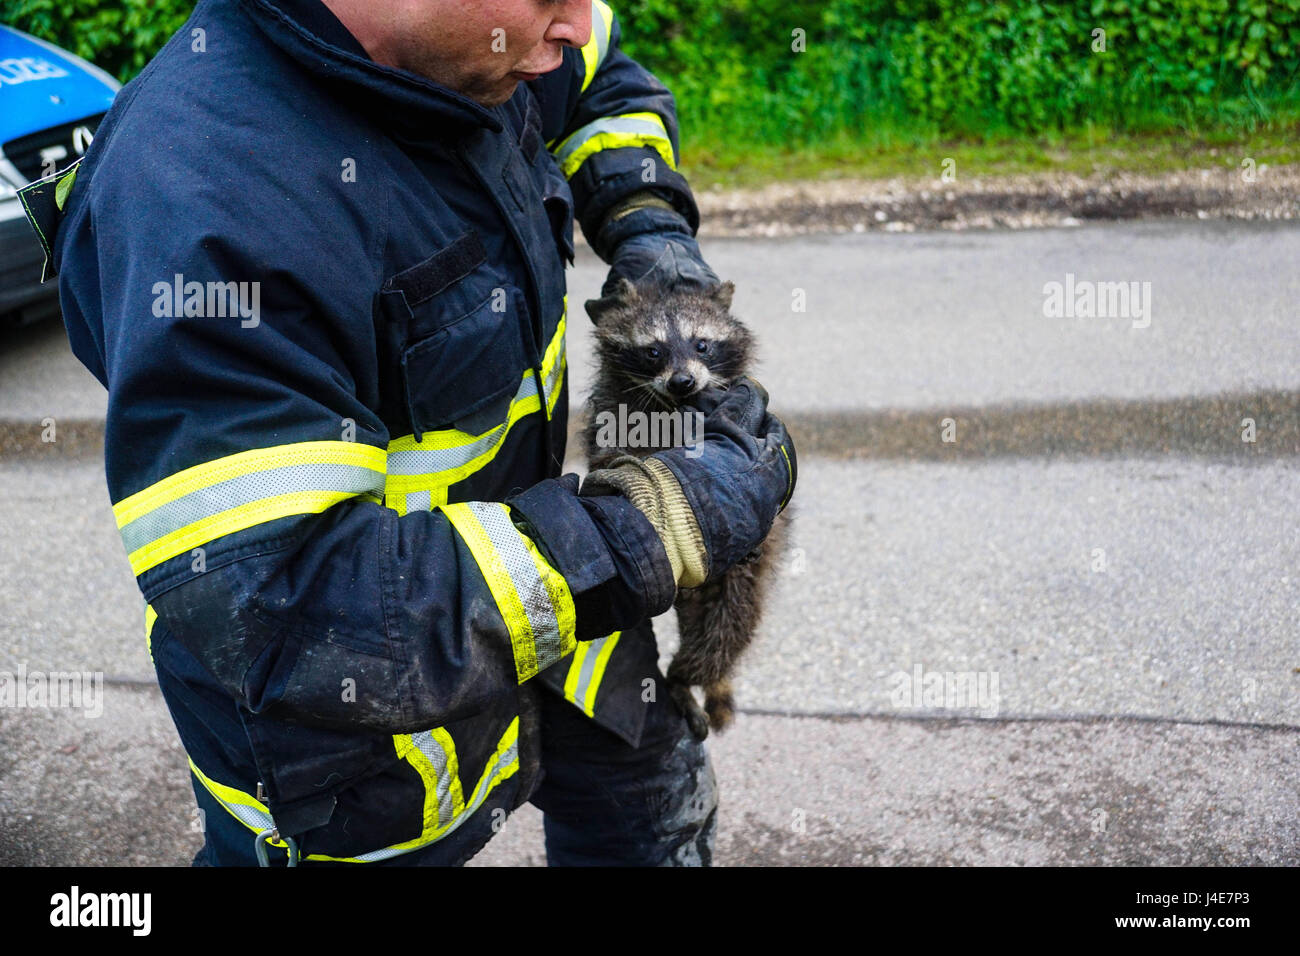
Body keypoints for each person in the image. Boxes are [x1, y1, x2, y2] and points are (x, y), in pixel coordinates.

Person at [18, 0, 796, 866]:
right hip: (369, 761)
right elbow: (291, 604)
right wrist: (653, 525)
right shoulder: (207, 202)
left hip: (573, 633)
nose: (579, 23)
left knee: (654, 821)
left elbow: (607, 81)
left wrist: (650, 230)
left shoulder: (503, 43)